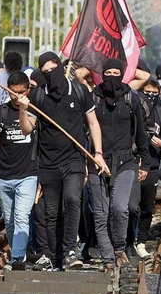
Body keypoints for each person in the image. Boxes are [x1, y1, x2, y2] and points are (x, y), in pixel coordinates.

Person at [30, 51, 105, 270]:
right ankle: (54, 256)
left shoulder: (79, 91)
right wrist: (24, 109)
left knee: (72, 199)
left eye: (53, 70)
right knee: (52, 211)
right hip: (48, 162)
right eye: (45, 72)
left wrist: (98, 153)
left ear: (62, 69)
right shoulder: (38, 95)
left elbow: (93, 123)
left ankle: (71, 250)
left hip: (74, 159)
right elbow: (27, 128)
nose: (50, 75)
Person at [88, 61, 145, 268]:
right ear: (101, 75)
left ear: (122, 75)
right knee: (100, 213)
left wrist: (145, 162)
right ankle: (107, 257)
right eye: (108, 73)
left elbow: (140, 132)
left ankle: (119, 248)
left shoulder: (131, 99)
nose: (112, 76)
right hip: (97, 162)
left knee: (121, 208)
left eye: (116, 72)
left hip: (125, 161)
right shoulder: (93, 98)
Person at [0, 70, 38, 267]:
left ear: (28, 90)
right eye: (13, 92)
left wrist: (24, 109)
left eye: (21, 92)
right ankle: (17, 251)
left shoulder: (34, 110)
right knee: (9, 220)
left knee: (22, 217)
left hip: (28, 175)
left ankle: (17, 258)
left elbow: (26, 130)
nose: (17, 97)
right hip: (3, 176)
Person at [134, 74, 161, 256]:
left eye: (154, 93)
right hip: (133, 164)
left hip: (152, 165)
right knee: (131, 206)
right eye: (147, 92)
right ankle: (128, 240)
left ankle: (141, 241)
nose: (150, 96)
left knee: (146, 207)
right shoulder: (134, 109)